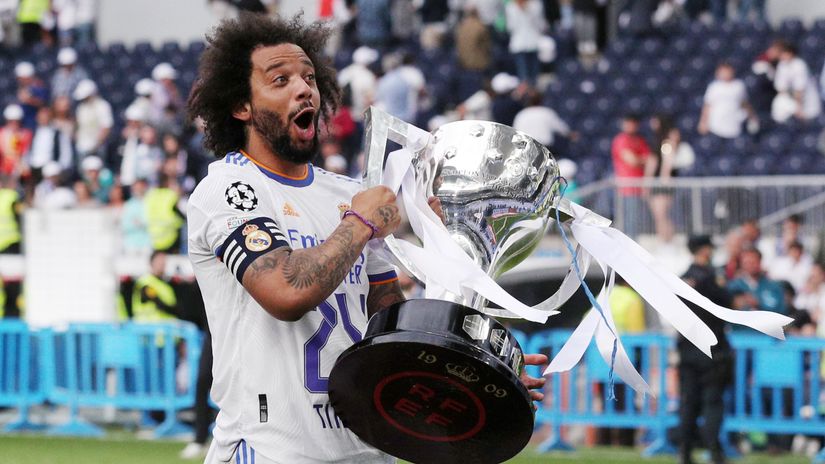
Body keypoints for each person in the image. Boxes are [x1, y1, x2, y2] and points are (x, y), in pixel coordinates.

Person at [185, 14, 546, 463]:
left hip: (368, 445)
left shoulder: (346, 194)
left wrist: (472, 360)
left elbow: (387, 321)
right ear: (240, 106)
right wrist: (361, 223)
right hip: (275, 449)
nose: (304, 88)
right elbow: (283, 291)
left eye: (310, 77)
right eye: (280, 80)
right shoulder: (228, 189)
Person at [678, 235, 733, 464]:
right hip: (712, 349)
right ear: (704, 250)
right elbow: (726, 303)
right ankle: (714, 451)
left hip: (687, 349)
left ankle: (685, 452)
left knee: (689, 402)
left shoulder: (681, 279)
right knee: (713, 402)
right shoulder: (711, 278)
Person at [611, 113, 651, 238]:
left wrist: (640, 159)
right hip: (626, 188)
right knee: (628, 220)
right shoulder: (621, 140)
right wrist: (642, 159)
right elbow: (631, 160)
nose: (630, 126)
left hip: (639, 187)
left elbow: (649, 158)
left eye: (633, 123)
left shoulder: (640, 140)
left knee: (635, 220)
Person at [698, 62, 757, 139]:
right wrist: (703, 122)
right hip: (716, 126)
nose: (725, 74)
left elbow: (745, 103)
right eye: (723, 71)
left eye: (727, 71)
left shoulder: (739, 85)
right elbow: (707, 105)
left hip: (734, 125)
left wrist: (752, 117)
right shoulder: (714, 87)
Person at [771, 41, 821, 123]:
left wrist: (798, 108)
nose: (782, 56)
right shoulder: (782, 65)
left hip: (807, 102)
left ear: (790, 53)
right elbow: (780, 88)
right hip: (793, 100)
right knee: (779, 101)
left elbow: (799, 89)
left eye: (784, 53)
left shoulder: (799, 65)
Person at [132, 250, 179, 322]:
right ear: (151, 263)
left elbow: (175, 308)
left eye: (164, 261)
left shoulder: (167, 287)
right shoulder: (145, 282)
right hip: (148, 327)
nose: (162, 264)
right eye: (159, 261)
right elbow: (157, 302)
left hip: (166, 327)